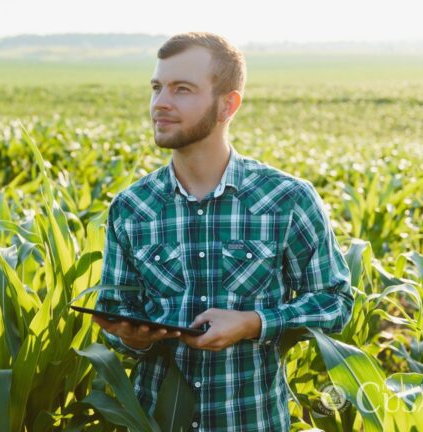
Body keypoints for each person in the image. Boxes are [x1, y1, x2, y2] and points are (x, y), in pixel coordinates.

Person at [92, 32, 354, 432]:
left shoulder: (286, 199)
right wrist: (134, 337)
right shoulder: (132, 208)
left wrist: (253, 322)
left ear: (227, 105)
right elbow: (118, 314)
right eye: (157, 87)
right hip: (154, 422)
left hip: (252, 421)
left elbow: (336, 302)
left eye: (182, 90)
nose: (160, 103)